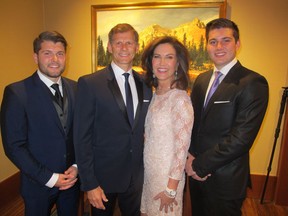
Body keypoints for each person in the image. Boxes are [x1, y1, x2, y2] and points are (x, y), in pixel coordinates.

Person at [185, 18, 269, 216]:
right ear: (207, 45)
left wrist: (199, 165)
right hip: (196, 176)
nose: (219, 46)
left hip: (225, 181)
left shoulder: (253, 83)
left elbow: (240, 139)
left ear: (237, 44)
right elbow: (194, 125)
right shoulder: (201, 80)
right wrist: (189, 158)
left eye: (226, 40)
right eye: (213, 41)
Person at [73, 23, 152, 216]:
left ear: (137, 46)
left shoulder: (146, 83)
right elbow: (81, 137)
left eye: (129, 43)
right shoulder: (90, 83)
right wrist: (90, 183)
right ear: (109, 46)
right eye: (118, 43)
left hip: (136, 176)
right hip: (103, 178)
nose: (124, 48)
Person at [0, 31, 79, 216]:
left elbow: (80, 133)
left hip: (72, 180)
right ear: (35, 57)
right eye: (47, 53)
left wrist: (76, 166)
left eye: (60, 53)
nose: (55, 59)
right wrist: (50, 178)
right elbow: (14, 146)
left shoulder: (76, 88)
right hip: (38, 184)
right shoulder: (17, 93)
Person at [140, 36, 194, 216]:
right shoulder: (155, 94)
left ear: (178, 63)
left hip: (167, 180)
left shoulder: (179, 99)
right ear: (150, 61)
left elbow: (181, 149)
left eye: (169, 57)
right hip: (150, 175)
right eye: (157, 56)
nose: (162, 62)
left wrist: (171, 189)